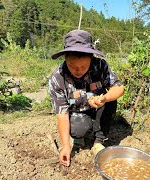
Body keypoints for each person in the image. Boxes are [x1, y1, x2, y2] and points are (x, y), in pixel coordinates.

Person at [48, 30, 124, 167]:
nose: (78, 71)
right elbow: (62, 114)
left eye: (83, 66)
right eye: (72, 66)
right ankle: (78, 138)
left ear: (91, 58)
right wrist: (65, 146)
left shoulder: (100, 66)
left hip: (99, 108)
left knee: (111, 101)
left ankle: (99, 141)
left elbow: (119, 88)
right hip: (77, 113)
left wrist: (104, 98)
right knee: (78, 130)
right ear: (65, 59)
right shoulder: (57, 78)